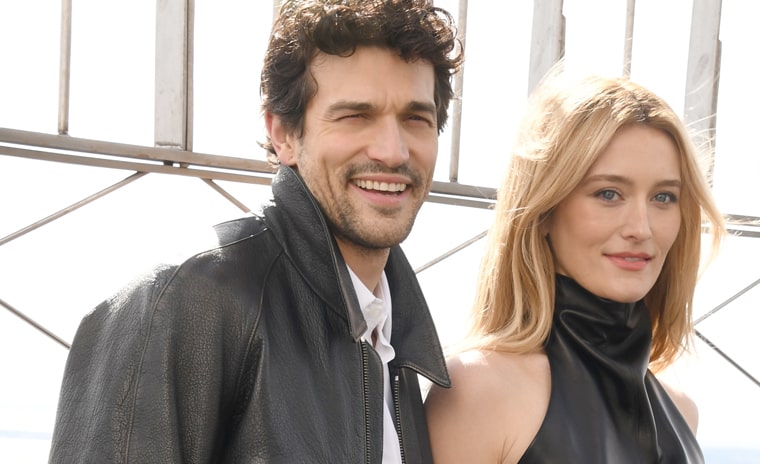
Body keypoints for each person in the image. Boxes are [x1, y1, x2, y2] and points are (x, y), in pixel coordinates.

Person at [49, 1, 462, 462]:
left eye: (415, 118)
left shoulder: (394, 337)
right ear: (283, 133)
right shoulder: (181, 301)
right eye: (355, 116)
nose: (393, 151)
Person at [424, 69, 726, 463]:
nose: (641, 228)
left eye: (664, 197)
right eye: (608, 194)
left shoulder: (682, 410)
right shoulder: (480, 389)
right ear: (545, 210)